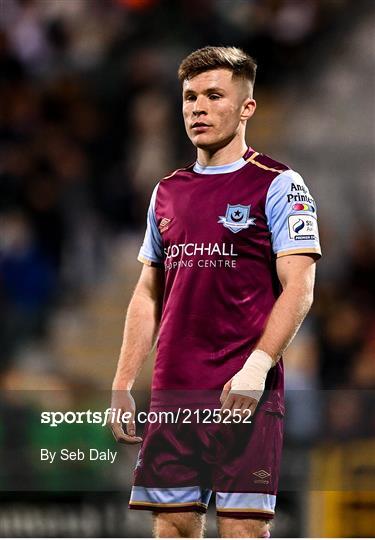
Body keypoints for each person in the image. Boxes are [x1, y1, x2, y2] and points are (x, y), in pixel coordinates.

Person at [109, 46, 321, 538]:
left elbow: (301, 285)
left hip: (241, 391)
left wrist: (258, 364)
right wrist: (123, 381)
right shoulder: (168, 191)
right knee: (175, 526)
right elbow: (147, 292)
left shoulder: (279, 184)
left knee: (243, 529)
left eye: (213, 95)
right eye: (189, 97)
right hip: (174, 392)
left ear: (246, 107)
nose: (197, 108)